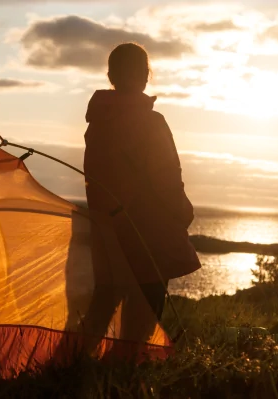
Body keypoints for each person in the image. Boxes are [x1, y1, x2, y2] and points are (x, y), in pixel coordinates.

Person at [83, 42, 201, 321]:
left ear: (110, 76)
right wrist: (184, 213)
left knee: (102, 309)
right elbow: (168, 178)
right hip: (149, 232)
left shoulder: (97, 123)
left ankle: (78, 361)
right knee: (144, 318)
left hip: (109, 229)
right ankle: (131, 362)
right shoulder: (151, 122)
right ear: (145, 75)